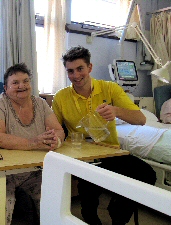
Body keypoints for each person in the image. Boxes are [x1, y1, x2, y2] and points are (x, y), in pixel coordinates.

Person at [52, 46, 156, 225]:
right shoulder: (61, 97)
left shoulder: (110, 89)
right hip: (81, 155)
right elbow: (56, 128)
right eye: (70, 71)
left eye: (80, 69)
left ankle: (118, 213)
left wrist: (116, 111)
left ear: (90, 67)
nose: (76, 75)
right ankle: (90, 214)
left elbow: (140, 120)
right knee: (89, 195)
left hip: (109, 151)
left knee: (147, 174)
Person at [0, 62, 65, 225]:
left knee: (53, 196)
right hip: (2, 172)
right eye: (15, 82)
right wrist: (32, 142)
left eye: (25, 81)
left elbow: (58, 130)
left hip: (33, 171)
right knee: (2, 207)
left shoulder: (40, 103)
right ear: (6, 88)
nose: (22, 86)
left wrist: (56, 141)